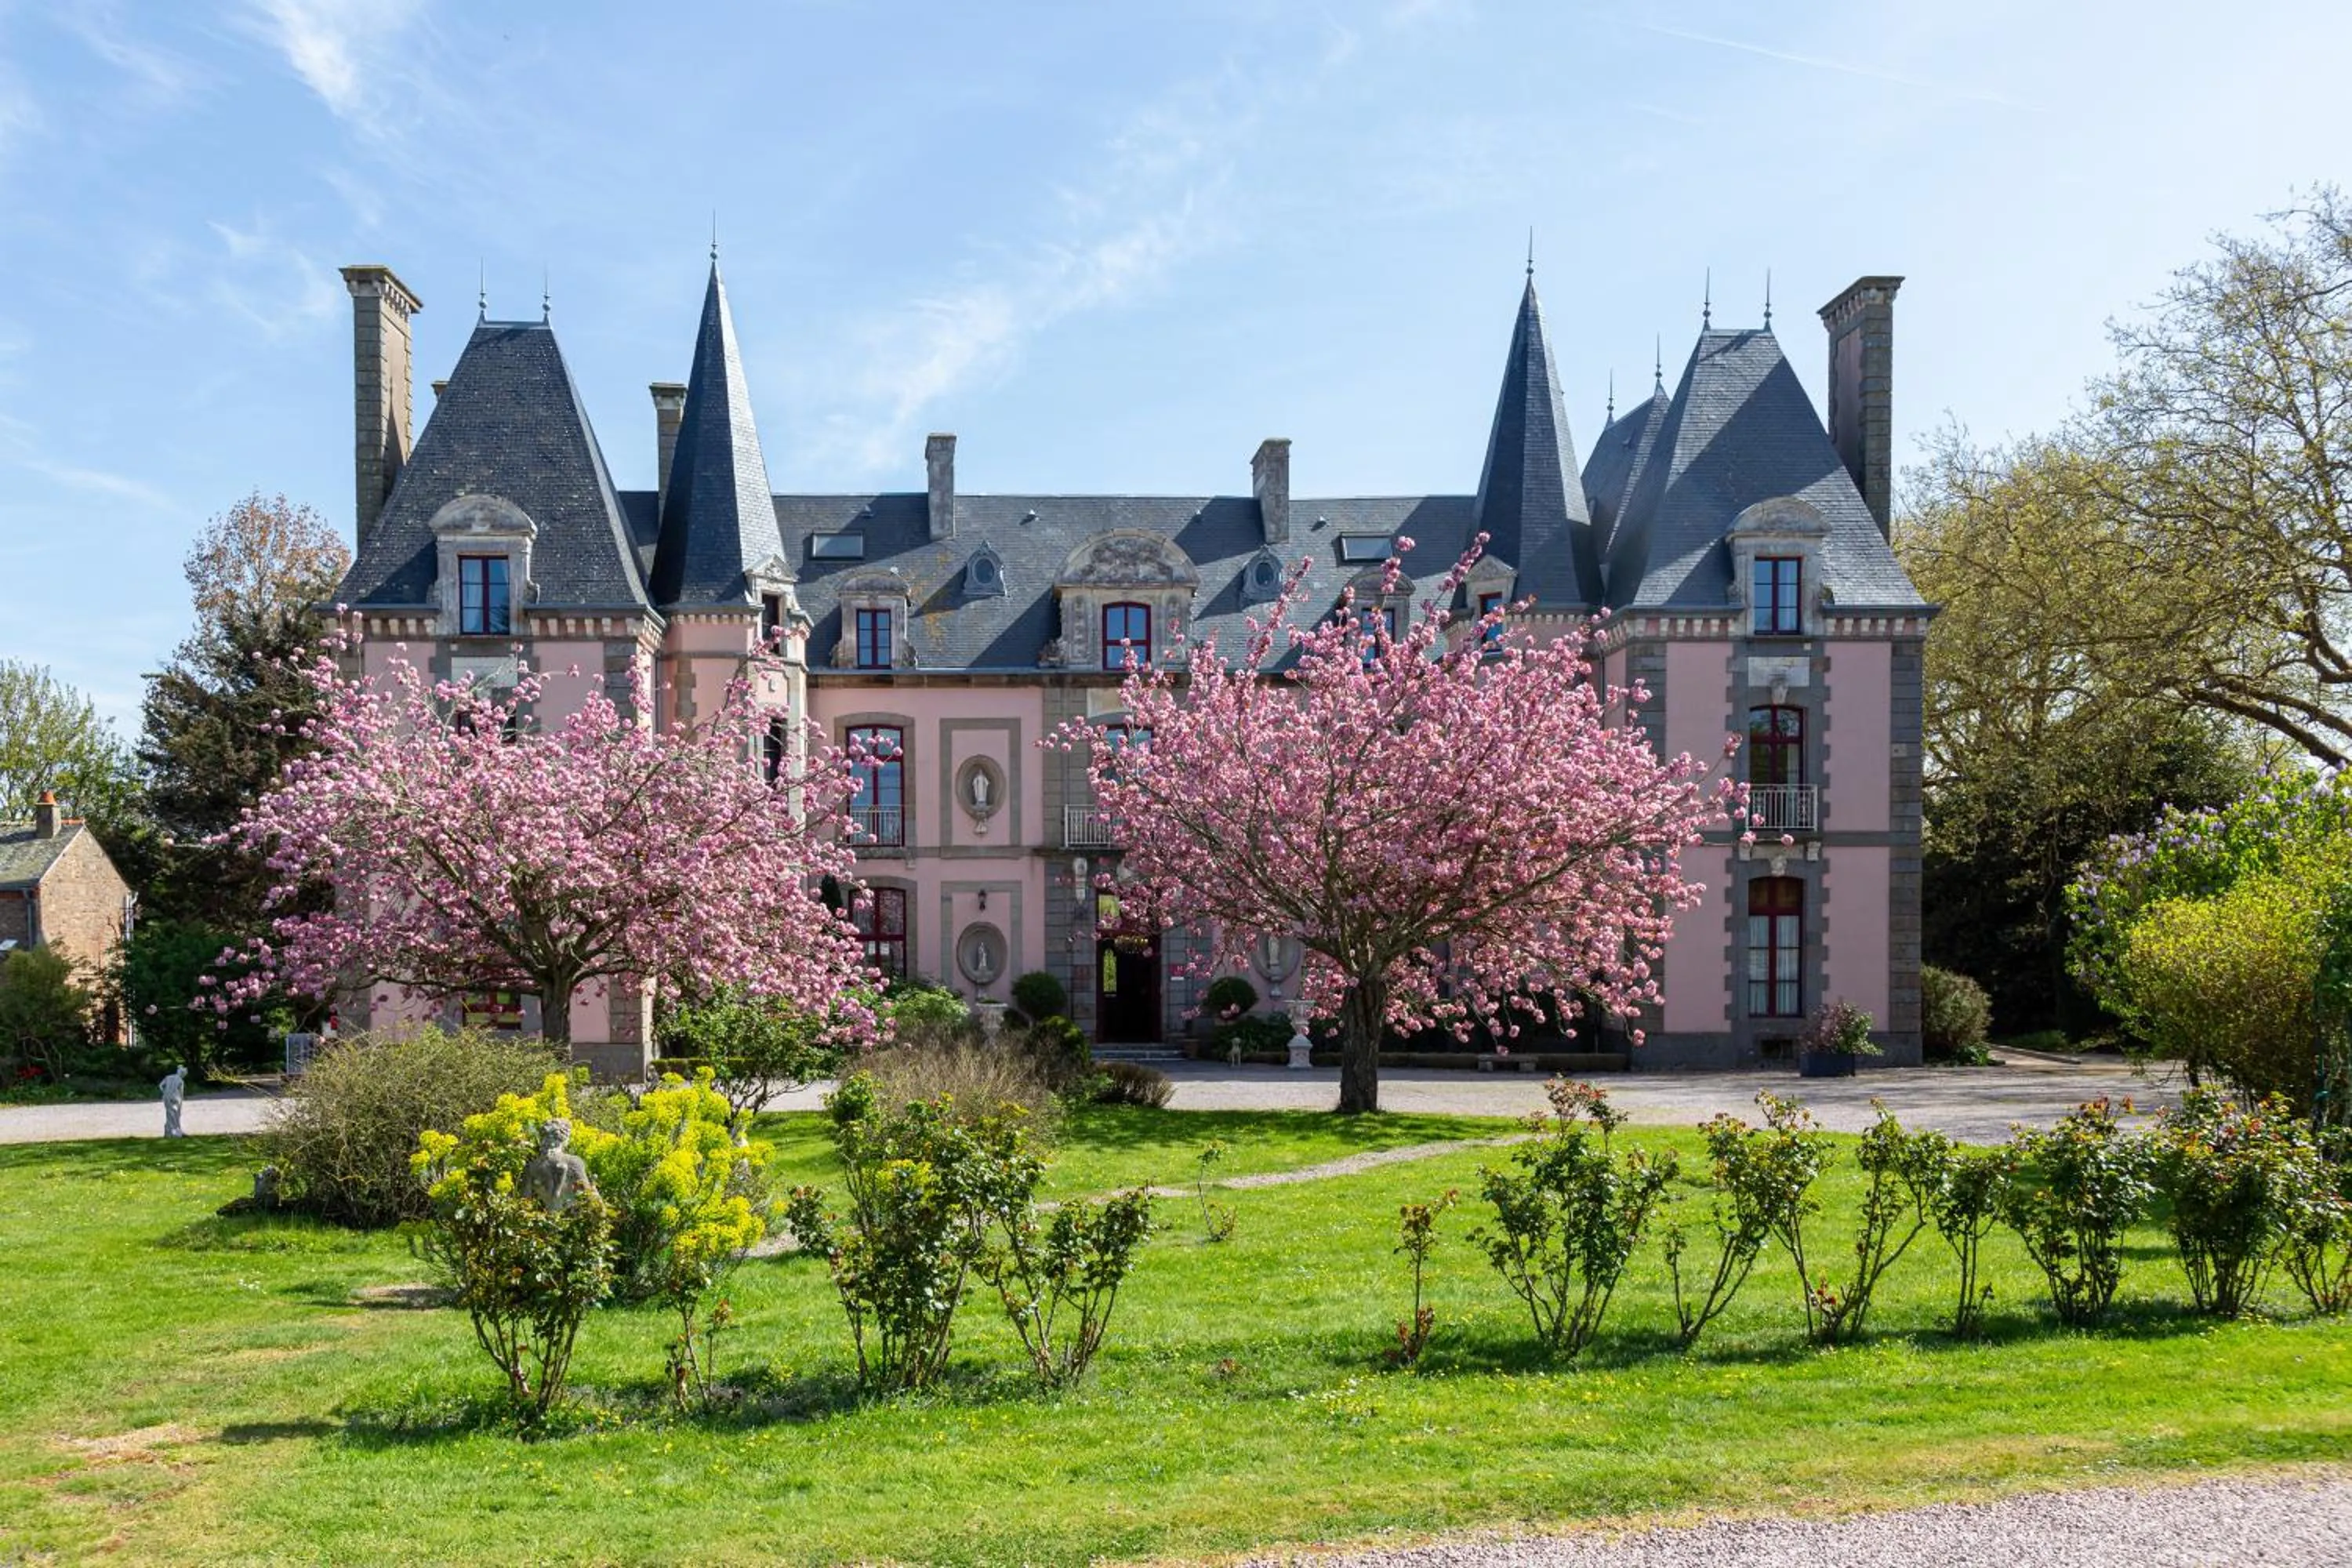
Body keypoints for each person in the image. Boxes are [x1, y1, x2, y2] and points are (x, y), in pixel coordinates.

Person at [159, 1065, 187, 1138]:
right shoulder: (180, 1081)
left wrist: (165, 1092)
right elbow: (181, 1093)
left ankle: (168, 1132)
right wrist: (180, 1103)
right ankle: (175, 1132)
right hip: (175, 1098)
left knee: (169, 1115)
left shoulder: (168, 1077)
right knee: (175, 1115)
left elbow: (161, 1086)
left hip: (167, 1098)